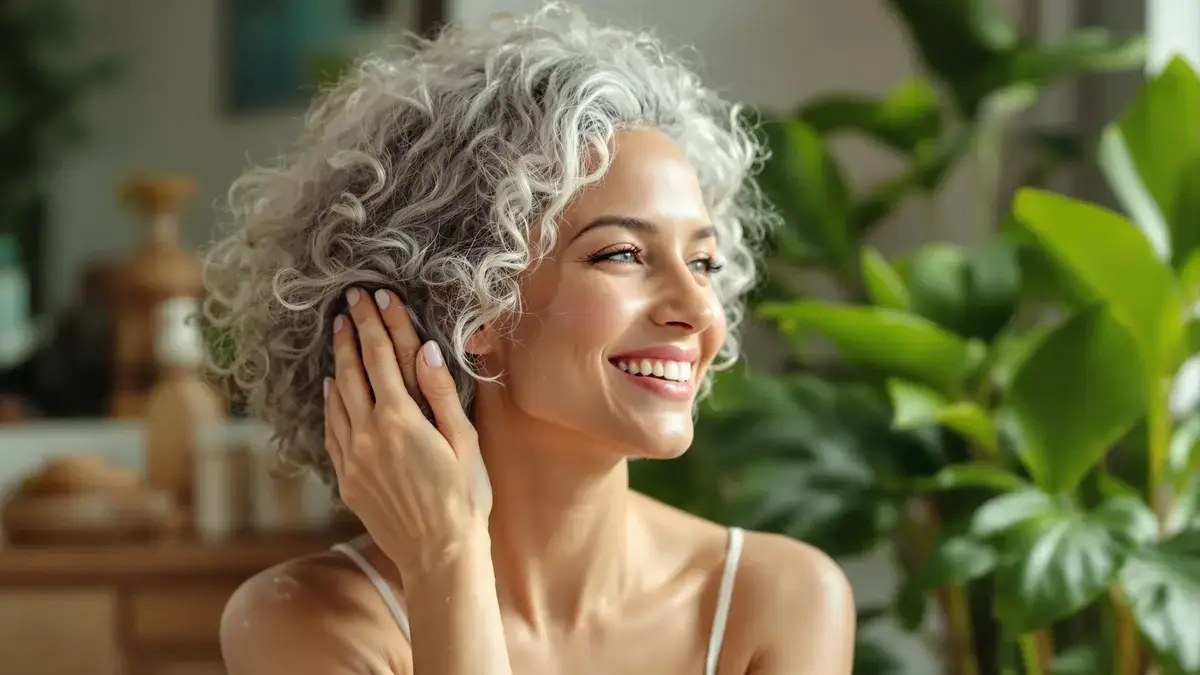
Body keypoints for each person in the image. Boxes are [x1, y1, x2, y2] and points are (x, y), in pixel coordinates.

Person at [206, 4, 855, 674]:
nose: (698, 310)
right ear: (469, 300)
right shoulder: (302, 622)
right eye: (623, 255)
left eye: (702, 262)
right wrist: (445, 559)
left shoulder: (779, 600)